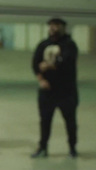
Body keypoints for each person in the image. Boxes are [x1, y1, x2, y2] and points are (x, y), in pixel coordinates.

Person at [31, 18, 79, 158]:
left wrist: (49, 65)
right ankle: (43, 148)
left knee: (70, 122)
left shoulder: (69, 45)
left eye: (57, 25)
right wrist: (41, 80)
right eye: (51, 25)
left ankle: (72, 148)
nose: (53, 28)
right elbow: (35, 64)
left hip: (67, 92)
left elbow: (67, 62)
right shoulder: (43, 44)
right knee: (45, 121)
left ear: (63, 28)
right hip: (47, 92)